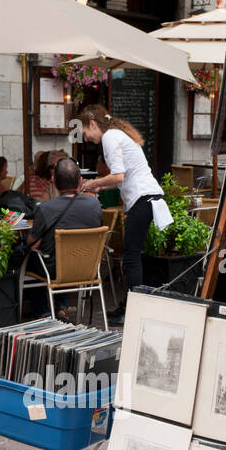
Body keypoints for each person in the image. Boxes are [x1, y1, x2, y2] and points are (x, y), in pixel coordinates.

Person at [78, 104, 167, 306]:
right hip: (146, 197)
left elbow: (118, 176)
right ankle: (130, 305)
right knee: (133, 255)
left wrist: (94, 182)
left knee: (131, 257)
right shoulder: (116, 134)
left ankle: (133, 309)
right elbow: (122, 178)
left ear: (92, 124)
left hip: (142, 198)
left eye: (84, 132)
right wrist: (100, 188)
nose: (85, 139)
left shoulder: (110, 137)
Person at [23, 156, 104, 318]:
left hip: (54, 269)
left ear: (53, 180)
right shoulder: (95, 205)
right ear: (80, 180)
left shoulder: (46, 208)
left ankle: (43, 310)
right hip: (87, 268)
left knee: (33, 258)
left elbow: (31, 240)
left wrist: (33, 242)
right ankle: (61, 306)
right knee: (64, 255)